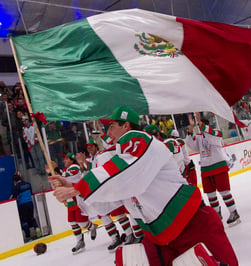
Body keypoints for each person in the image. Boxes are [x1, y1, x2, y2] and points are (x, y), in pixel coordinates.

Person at [49, 106, 238, 265]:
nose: (108, 133)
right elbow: (110, 196)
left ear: (126, 125)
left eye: (112, 126)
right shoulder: (120, 154)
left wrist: (77, 187)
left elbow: (125, 172)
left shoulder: (140, 140)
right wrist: (74, 187)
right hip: (158, 236)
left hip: (190, 223)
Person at [76, 139, 141, 252]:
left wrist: (84, 163)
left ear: (97, 147)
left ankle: (132, 233)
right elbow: (87, 175)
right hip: (99, 190)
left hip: (108, 187)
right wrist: (82, 165)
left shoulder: (102, 155)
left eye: (91, 146)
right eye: (88, 148)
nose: (89, 149)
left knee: (120, 212)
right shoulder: (90, 160)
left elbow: (100, 169)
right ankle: (116, 237)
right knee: (104, 216)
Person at [185, 112, 241, 226]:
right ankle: (216, 214)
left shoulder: (215, 133)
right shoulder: (200, 137)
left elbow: (211, 135)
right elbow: (191, 145)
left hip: (218, 166)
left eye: (201, 126)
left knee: (224, 192)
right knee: (210, 195)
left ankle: (234, 212)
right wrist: (191, 127)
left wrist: (199, 122)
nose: (200, 129)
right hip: (206, 169)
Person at [46, 152, 98, 254]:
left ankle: (92, 227)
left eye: (66, 159)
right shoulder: (66, 170)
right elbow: (60, 179)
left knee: (81, 222)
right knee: (72, 222)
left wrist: (55, 169)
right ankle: (79, 241)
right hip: (70, 199)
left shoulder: (75, 168)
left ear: (72, 160)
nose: (64, 161)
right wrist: (50, 173)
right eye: (64, 159)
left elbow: (65, 176)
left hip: (77, 198)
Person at [11, 174, 41, 242]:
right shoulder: (28, 184)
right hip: (30, 203)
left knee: (24, 220)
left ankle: (28, 236)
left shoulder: (17, 187)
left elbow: (14, 197)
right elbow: (30, 192)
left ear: (15, 181)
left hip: (22, 205)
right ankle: (36, 228)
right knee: (31, 217)